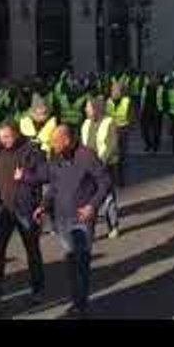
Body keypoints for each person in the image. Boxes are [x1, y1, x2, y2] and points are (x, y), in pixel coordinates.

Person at [25, 124, 111, 318]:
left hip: (82, 218)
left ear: (68, 140)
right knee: (71, 262)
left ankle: (81, 305)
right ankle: (77, 301)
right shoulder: (55, 157)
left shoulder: (87, 156)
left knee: (81, 262)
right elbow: (54, 186)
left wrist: (92, 206)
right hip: (61, 219)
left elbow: (105, 181)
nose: (52, 145)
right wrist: (43, 206)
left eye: (56, 141)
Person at [0, 121, 46, 310]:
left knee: (32, 251)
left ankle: (38, 289)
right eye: (1, 137)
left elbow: (42, 177)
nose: (4, 141)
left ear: (17, 133)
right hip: (4, 209)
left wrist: (39, 205)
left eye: (7, 137)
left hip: (25, 209)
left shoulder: (31, 150)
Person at [81, 97, 121, 239]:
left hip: (106, 166)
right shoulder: (85, 124)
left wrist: (101, 162)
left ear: (96, 109)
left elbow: (112, 144)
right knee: (89, 198)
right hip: (89, 167)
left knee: (108, 197)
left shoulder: (109, 122)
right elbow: (83, 145)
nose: (86, 110)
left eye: (88, 107)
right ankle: (89, 231)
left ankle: (113, 226)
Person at [105, 80, 133, 186]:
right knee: (111, 156)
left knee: (121, 157)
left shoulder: (127, 101)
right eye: (113, 90)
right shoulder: (107, 102)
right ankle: (110, 180)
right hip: (111, 131)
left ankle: (121, 181)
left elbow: (131, 117)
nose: (115, 92)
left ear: (122, 91)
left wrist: (127, 127)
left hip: (123, 130)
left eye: (117, 90)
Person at [139, 74, 164, 154]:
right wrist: (141, 110)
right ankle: (148, 144)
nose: (153, 81)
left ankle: (155, 146)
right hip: (146, 110)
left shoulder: (161, 88)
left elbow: (165, 99)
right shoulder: (145, 88)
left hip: (157, 110)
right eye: (151, 79)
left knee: (156, 130)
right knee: (144, 129)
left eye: (155, 79)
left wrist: (163, 110)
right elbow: (142, 99)